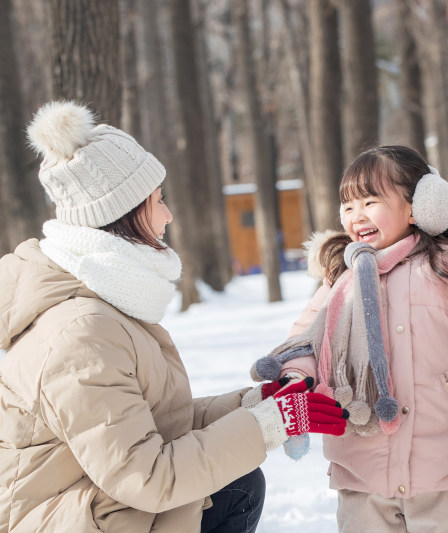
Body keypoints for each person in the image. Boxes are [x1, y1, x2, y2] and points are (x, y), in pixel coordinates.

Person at [0, 101, 347, 533]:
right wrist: (268, 426)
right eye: (157, 201)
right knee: (234, 487)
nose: (167, 215)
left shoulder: (102, 305)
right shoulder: (80, 332)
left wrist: (255, 405)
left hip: (96, 505)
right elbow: (145, 476)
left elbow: (161, 427)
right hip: (66, 521)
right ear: (121, 217)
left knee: (237, 483)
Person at [249, 145, 448, 532]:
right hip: (362, 458)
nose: (356, 216)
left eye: (370, 202)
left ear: (419, 206)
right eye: (348, 205)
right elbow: (307, 337)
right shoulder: (342, 276)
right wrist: (294, 377)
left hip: (440, 464)